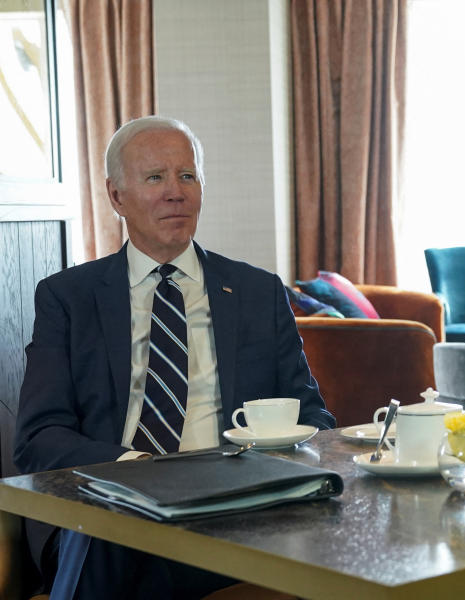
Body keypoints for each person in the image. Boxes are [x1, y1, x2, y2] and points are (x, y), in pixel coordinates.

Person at [15, 116, 335, 599]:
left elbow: (313, 417)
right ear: (116, 196)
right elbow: (39, 437)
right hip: (114, 505)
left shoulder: (255, 291)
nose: (175, 192)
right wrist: (139, 472)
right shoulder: (68, 298)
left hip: (234, 506)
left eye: (187, 176)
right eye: (154, 178)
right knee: (113, 531)